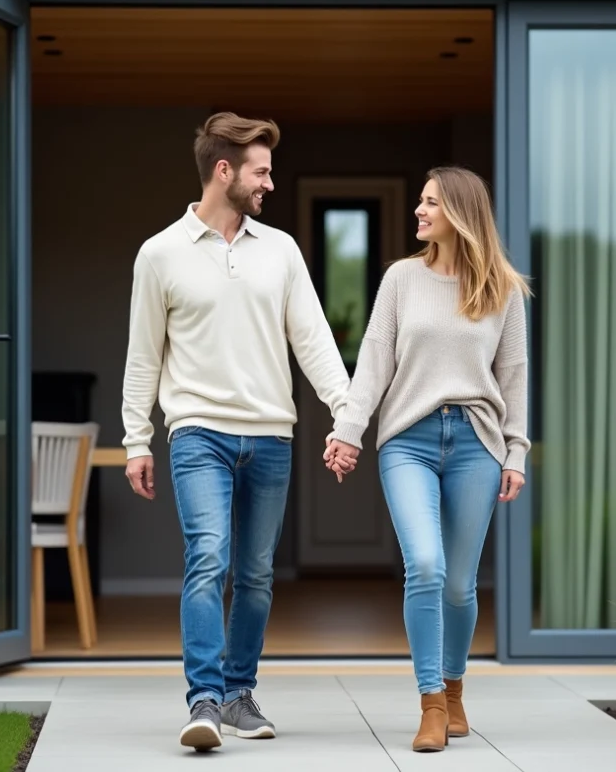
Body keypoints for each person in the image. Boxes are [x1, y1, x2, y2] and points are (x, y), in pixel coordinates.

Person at [120, 111, 356, 752]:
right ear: (223, 171)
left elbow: (314, 341)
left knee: (255, 574)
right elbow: (143, 356)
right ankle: (203, 700)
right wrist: (137, 439)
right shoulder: (160, 254)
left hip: (271, 438)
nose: (269, 184)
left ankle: (237, 693)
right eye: (261, 172)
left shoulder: (281, 251)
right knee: (208, 558)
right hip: (198, 433)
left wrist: (347, 415)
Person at [324, 166, 530, 753]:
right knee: (424, 564)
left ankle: (455, 687)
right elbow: (374, 360)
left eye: (431, 202)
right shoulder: (401, 279)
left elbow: (513, 375)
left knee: (460, 585)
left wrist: (516, 451)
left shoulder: (502, 288)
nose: (419, 210)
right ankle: (431, 703)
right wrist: (349, 431)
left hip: (476, 442)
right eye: (420, 200)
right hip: (407, 439)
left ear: (461, 213)